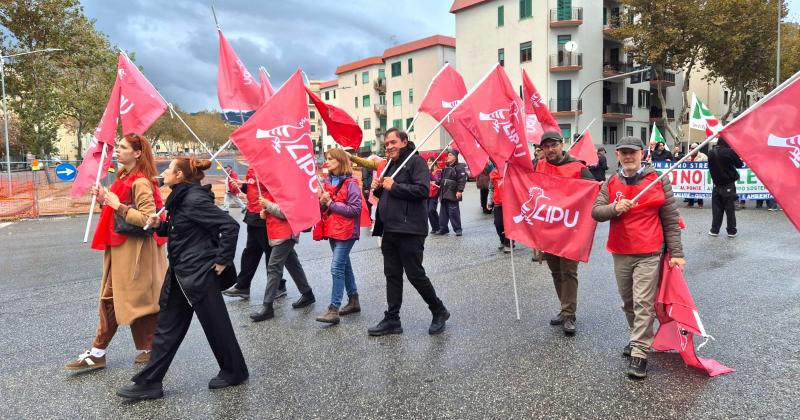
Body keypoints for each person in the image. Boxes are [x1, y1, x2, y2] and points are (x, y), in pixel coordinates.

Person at [117, 157, 247, 399]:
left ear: (179, 176)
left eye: (169, 169)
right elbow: (183, 230)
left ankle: (234, 372)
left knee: (216, 326)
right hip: (182, 274)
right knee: (167, 328)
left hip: (199, 274)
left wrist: (222, 260)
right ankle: (150, 383)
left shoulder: (194, 198)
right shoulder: (180, 197)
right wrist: (160, 225)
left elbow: (229, 226)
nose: (164, 171)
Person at [66, 134, 167, 372]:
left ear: (137, 153)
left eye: (123, 147)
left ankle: (98, 352)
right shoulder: (124, 177)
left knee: (115, 298)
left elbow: (147, 219)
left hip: (135, 250)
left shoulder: (140, 181)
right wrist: (104, 199)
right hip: (121, 247)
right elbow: (116, 210)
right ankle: (149, 348)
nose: (117, 151)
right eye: (118, 146)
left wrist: (115, 204)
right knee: (133, 299)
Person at [591, 135, 685, 379]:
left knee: (643, 302)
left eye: (633, 152)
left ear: (643, 153)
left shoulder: (658, 180)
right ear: (618, 156)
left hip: (650, 251)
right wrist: (614, 208)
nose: (629, 156)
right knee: (629, 302)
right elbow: (596, 212)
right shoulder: (611, 181)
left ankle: (640, 353)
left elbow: (671, 219)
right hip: (621, 251)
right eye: (624, 152)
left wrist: (676, 253)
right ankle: (637, 338)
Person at [368, 128, 450, 336]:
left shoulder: (416, 162)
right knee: (392, 275)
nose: (389, 147)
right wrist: (378, 187)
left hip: (410, 229)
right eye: (386, 144)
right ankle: (393, 319)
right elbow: (386, 192)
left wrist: (394, 186)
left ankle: (438, 310)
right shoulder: (389, 164)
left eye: (393, 142)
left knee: (415, 274)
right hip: (390, 229)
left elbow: (423, 190)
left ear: (404, 142)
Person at [534, 131, 595, 336]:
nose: (550, 150)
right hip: (549, 230)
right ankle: (564, 307)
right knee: (556, 272)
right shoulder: (540, 166)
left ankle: (570, 314)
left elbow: (593, 193)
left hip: (571, 230)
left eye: (554, 145)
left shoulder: (579, 168)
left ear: (562, 145)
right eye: (546, 146)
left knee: (568, 271)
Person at [222, 167, 288, 299]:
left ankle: (278, 286)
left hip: (264, 216)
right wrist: (244, 186)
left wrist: (268, 208)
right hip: (252, 215)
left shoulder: (269, 166)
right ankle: (243, 286)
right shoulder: (253, 167)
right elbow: (254, 189)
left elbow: (276, 191)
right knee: (250, 253)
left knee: (270, 255)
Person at [249, 190, 316, 321]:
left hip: (286, 233)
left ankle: (267, 307)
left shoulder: (286, 186)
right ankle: (307, 294)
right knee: (293, 264)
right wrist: (267, 213)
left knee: (273, 267)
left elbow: (287, 212)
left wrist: (268, 205)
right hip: (280, 232)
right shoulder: (278, 185)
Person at [315, 149, 363, 325]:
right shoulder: (327, 181)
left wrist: (331, 204)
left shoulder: (351, 183)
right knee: (345, 266)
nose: (327, 161)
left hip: (346, 231)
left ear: (340, 161)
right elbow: (323, 209)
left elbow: (355, 209)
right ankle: (353, 300)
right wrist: (322, 203)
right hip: (332, 230)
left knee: (336, 268)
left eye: (330, 158)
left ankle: (333, 309)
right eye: (326, 158)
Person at [707, 137, 744, 237]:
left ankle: (714, 230)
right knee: (729, 208)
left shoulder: (711, 152)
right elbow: (739, 164)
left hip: (716, 184)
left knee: (716, 208)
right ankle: (731, 231)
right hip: (728, 184)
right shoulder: (728, 152)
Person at [433, 149, 467, 236]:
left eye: (451, 155)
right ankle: (443, 229)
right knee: (443, 212)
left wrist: (460, 190)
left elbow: (462, 180)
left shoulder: (460, 167)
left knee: (453, 211)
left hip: (453, 192)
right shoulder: (446, 167)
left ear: (455, 157)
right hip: (444, 192)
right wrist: (436, 181)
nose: (448, 156)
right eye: (448, 155)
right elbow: (442, 178)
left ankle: (458, 229)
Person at [486, 162, 510, 253]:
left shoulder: (510, 172)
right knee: (498, 224)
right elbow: (491, 189)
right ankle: (502, 240)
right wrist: (489, 201)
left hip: (510, 204)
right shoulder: (493, 173)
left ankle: (508, 243)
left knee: (508, 225)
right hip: (498, 203)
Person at [684, 142, 708, 208]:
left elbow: (706, 164)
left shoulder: (703, 155)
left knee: (699, 189)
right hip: (689, 175)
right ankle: (690, 203)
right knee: (690, 189)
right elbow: (683, 163)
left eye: (694, 148)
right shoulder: (687, 155)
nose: (692, 149)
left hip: (699, 175)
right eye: (691, 148)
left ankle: (700, 203)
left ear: (697, 148)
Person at [427, 157, 442, 234]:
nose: (428, 162)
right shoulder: (428, 171)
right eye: (428, 161)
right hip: (427, 193)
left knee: (432, 210)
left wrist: (433, 179)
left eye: (430, 161)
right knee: (428, 212)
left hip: (434, 193)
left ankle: (438, 226)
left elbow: (437, 180)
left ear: (434, 162)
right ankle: (434, 227)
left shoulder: (438, 171)